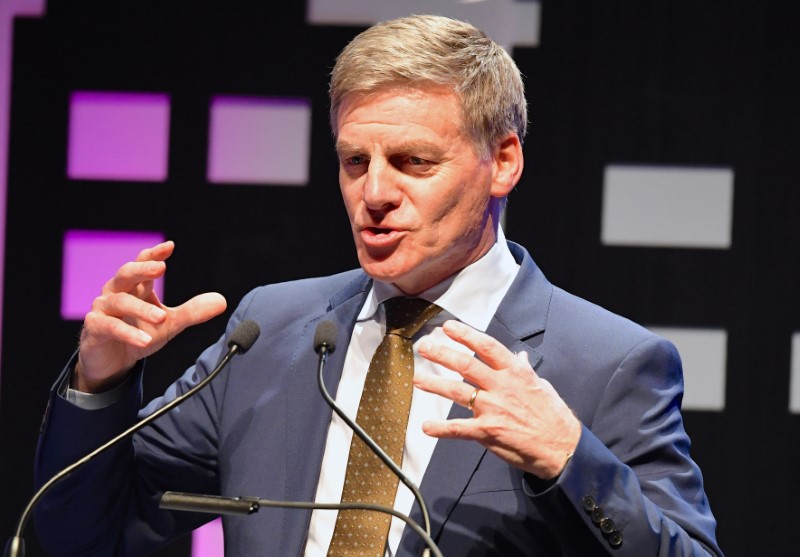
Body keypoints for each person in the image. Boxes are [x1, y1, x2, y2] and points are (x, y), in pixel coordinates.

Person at [34, 14, 723, 556]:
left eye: (413, 161)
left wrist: (571, 458)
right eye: (354, 160)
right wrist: (100, 385)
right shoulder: (270, 329)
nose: (375, 192)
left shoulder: (607, 363)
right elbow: (76, 539)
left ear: (503, 161)